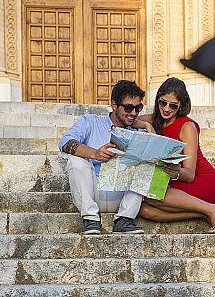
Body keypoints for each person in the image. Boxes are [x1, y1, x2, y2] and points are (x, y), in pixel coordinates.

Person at [58, 80, 152, 235]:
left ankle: (125, 219)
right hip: (93, 192)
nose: (134, 113)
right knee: (76, 159)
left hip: (123, 197)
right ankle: (90, 219)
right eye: (128, 107)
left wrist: (148, 126)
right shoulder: (90, 122)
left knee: (149, 160)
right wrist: (95, 153)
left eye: (138, 108)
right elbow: (65, 143)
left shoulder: (139, 132)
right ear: (114, 105)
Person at [137, 77, 215, 233]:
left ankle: (210, 209)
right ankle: (209, 211)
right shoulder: (154, 119)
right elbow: (128, 120)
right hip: (173, 184)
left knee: (150, 194)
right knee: (144, 210)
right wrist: (147, 125)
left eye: (173, 105)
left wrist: (176, 172)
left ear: (181, 106)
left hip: (201, 181)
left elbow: (190, 174)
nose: (166, 108)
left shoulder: (187, 126)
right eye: (162, 102)